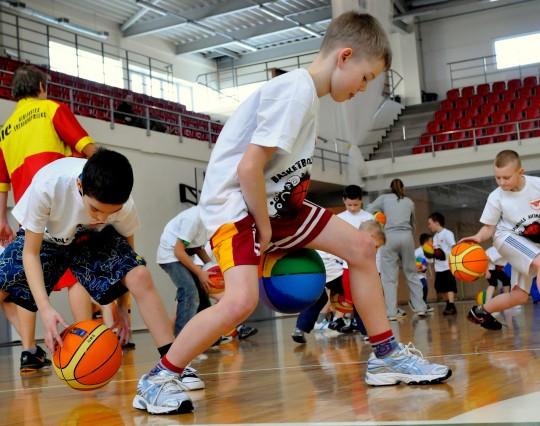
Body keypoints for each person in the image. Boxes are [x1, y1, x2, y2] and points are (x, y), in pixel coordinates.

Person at [132, 11, 451, 415]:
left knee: (361, 248)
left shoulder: (307, 96)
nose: (363, 88)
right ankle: (158, 377)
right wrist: (264, 229)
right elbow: (248, 168)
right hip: (238, 207)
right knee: (240, 301)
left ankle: (385, 356)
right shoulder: (295, 92)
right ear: (345, 56)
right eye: (366, 78)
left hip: (276, 203)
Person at [0, 149, 194, 409]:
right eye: (94, 209)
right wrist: (45, 309)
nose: (99, 218)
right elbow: (31, 253)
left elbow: (129, 257)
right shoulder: (48, 187)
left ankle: (171, 370)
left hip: (91, 240)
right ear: (80, 185)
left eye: (109, 213)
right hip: (45, 241)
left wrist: (124, 309)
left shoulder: (123, 206)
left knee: (140, 274)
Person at [0, 64, 98, 372]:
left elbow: (2, 183)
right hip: (61, 201)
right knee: (77, 270)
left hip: (28, 209)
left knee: (28, 280)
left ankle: (29, 351)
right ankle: (85, 342)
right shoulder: (52, 108)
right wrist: (108, 170)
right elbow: (86, 147)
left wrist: (1, 218)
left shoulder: (4, 130)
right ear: (41, 86)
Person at [464, 150, 540, 330]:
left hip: (531, 244)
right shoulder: (496, 197)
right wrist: (478, 237)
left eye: (506, 177)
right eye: (497, 178)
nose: (501, 182)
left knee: (519, 296)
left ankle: (480, 312)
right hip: (507, 238)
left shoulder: (537, 186)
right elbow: (489, 228)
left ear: (520, 172)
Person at [292, 220, 385, 344]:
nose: (375, 250)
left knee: (318, 298)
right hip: (329, 268)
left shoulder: (349, 236)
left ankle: (300, 328)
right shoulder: (356, 244)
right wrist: (350, 297)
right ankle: (367, 331)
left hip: (314, 266)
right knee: (359, 295)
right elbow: (348, 272)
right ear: (371, 237)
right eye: (376, 247)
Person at [366, 179, 428, 320]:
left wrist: (378, 222)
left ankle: (391, 313)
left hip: (389, 237)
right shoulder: (409, 202)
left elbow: (369, 209)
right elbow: (413, 223)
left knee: (389, 278)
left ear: (390, 188)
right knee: (411, 273)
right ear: (403, 188)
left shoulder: (384, 199)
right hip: (406, 237)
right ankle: (420, 308)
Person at [330, 184, 373, 332]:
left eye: (355, 204)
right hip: (346, 267)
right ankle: (360, 327)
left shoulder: (369, 218)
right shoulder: (338, 219)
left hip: (365, 266)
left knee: (365, 299)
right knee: (354, 299)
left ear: (361, 200)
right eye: (349, 204)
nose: (353, 208)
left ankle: (365, 328)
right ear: (343, 200)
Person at [427, 212, 457, 316]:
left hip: (448, 266)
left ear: (436, 222)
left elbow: (454, 248)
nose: (429, 226)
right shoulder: (435, 237)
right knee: (439, 287)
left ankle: (451, 306)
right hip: (439, 267)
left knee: (449, 287)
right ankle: (449, 304)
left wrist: (453, 261)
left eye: (430, 223)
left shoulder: (447, 233)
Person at [413, 233, 433, 309]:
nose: (432, 243)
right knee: (423, 287)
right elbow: (413, 262)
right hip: (417, 273)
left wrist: (430, 273)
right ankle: (418, 304)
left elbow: (428, 263)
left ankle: (423, 304)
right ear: (425, 242)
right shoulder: (417, 252)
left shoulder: (429, 252)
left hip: (423, 273)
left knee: (425, 289)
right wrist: (415, 269)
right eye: (431, 241)